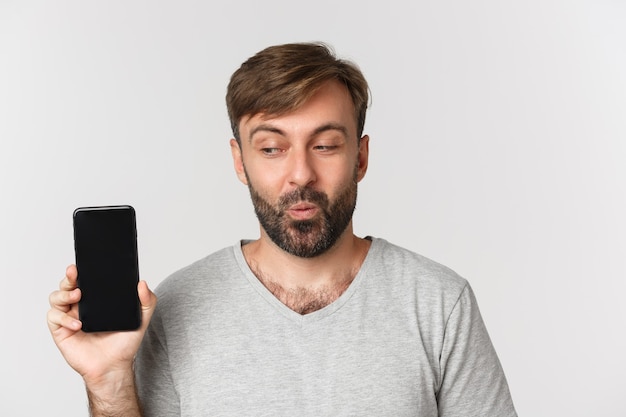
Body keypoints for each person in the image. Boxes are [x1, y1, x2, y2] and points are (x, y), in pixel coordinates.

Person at [48, 42, 518, 416]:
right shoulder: (177, 307)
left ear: (361, 157)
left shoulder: (438, 302)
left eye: (326, 145)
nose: (300, 175)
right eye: (272, 148)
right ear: (240, 161)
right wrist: (108, 381)